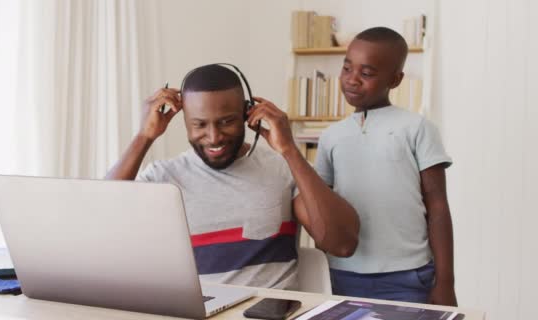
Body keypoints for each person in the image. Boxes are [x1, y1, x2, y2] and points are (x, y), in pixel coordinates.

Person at [106, 64, 359, 290]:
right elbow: (100, 226)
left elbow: (341, 244)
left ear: (248, 114)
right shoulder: (163, 177)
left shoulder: (282, 168)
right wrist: (143, 137)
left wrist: (290, 151)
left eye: (226, 122)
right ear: (184, 121)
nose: (214, 137)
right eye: (199, 125)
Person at [314, 27, 457, 305]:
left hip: (409, 276)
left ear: (395, 79)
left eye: (366, 74)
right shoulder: (331, 136)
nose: (352, 80)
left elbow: (438, 207)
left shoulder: (417, 128)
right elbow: (319, 205)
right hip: (342, 276)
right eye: (346, 68)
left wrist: (446, 282)